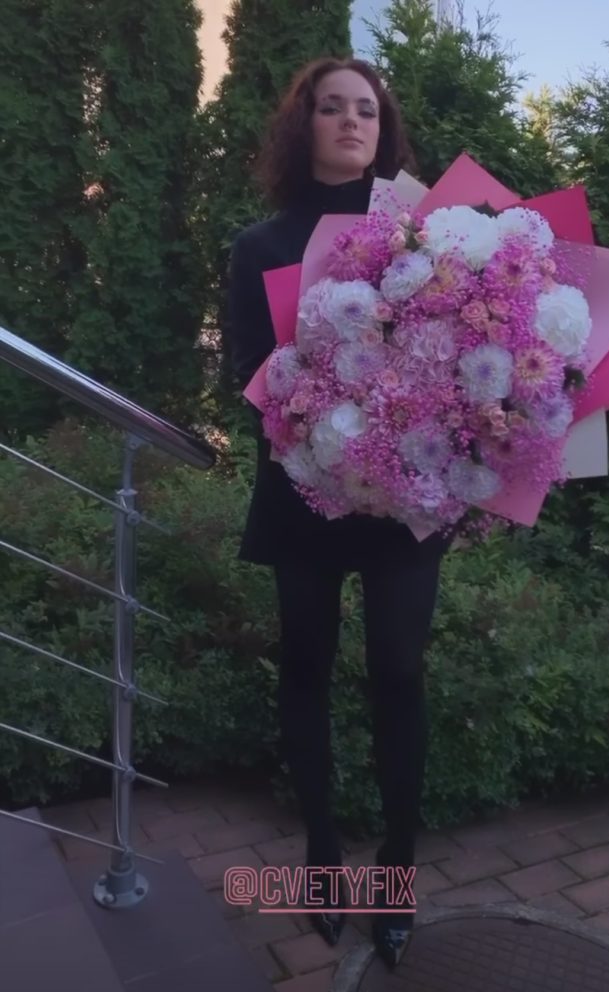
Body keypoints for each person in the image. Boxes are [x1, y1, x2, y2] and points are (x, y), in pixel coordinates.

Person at [227, 57, 451, 970]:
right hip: (305, 484)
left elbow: (452, 348)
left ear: (383, 129)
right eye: (332, 107)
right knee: (307, 667)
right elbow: (246, 369)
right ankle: (321, 857)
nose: (352, 121)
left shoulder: (421, 236)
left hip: (404, 492)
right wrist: (319, 418)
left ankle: (396, 867)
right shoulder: (261, 244)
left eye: (367, 109)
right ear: (305, 124)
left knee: (398, 670)